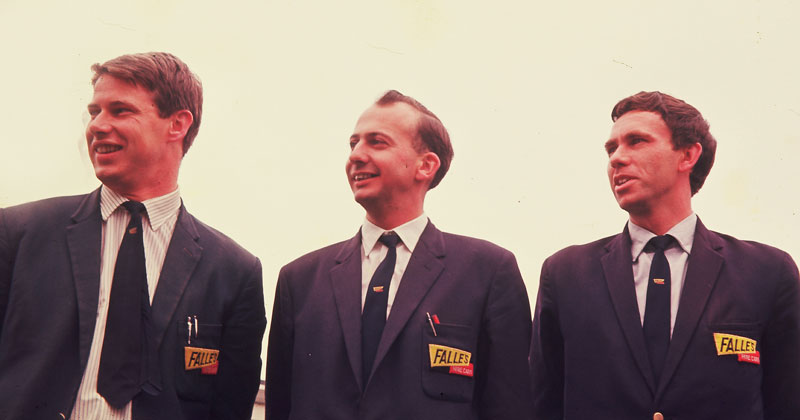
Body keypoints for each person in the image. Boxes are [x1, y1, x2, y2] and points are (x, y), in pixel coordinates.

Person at [0, 52, 266, 420]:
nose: (97, 125)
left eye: (120, 110)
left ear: (177, 124)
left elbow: (230, 408)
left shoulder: (234, 271)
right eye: (95, 112)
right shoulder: (18, 234)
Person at [529, 91, 800, 420]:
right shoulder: (565, 274)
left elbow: (788, 404)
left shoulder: (766, 272)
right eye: (611, 149)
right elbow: (541, 404)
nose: (617, 158)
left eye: (637, 141)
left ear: (688, 155)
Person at [265, 90, 532, 420]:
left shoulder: (488, 272)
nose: (356, 155)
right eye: (353, 144)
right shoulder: (299, 281)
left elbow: (511, 406)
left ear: (426, 165)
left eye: (377, 142)